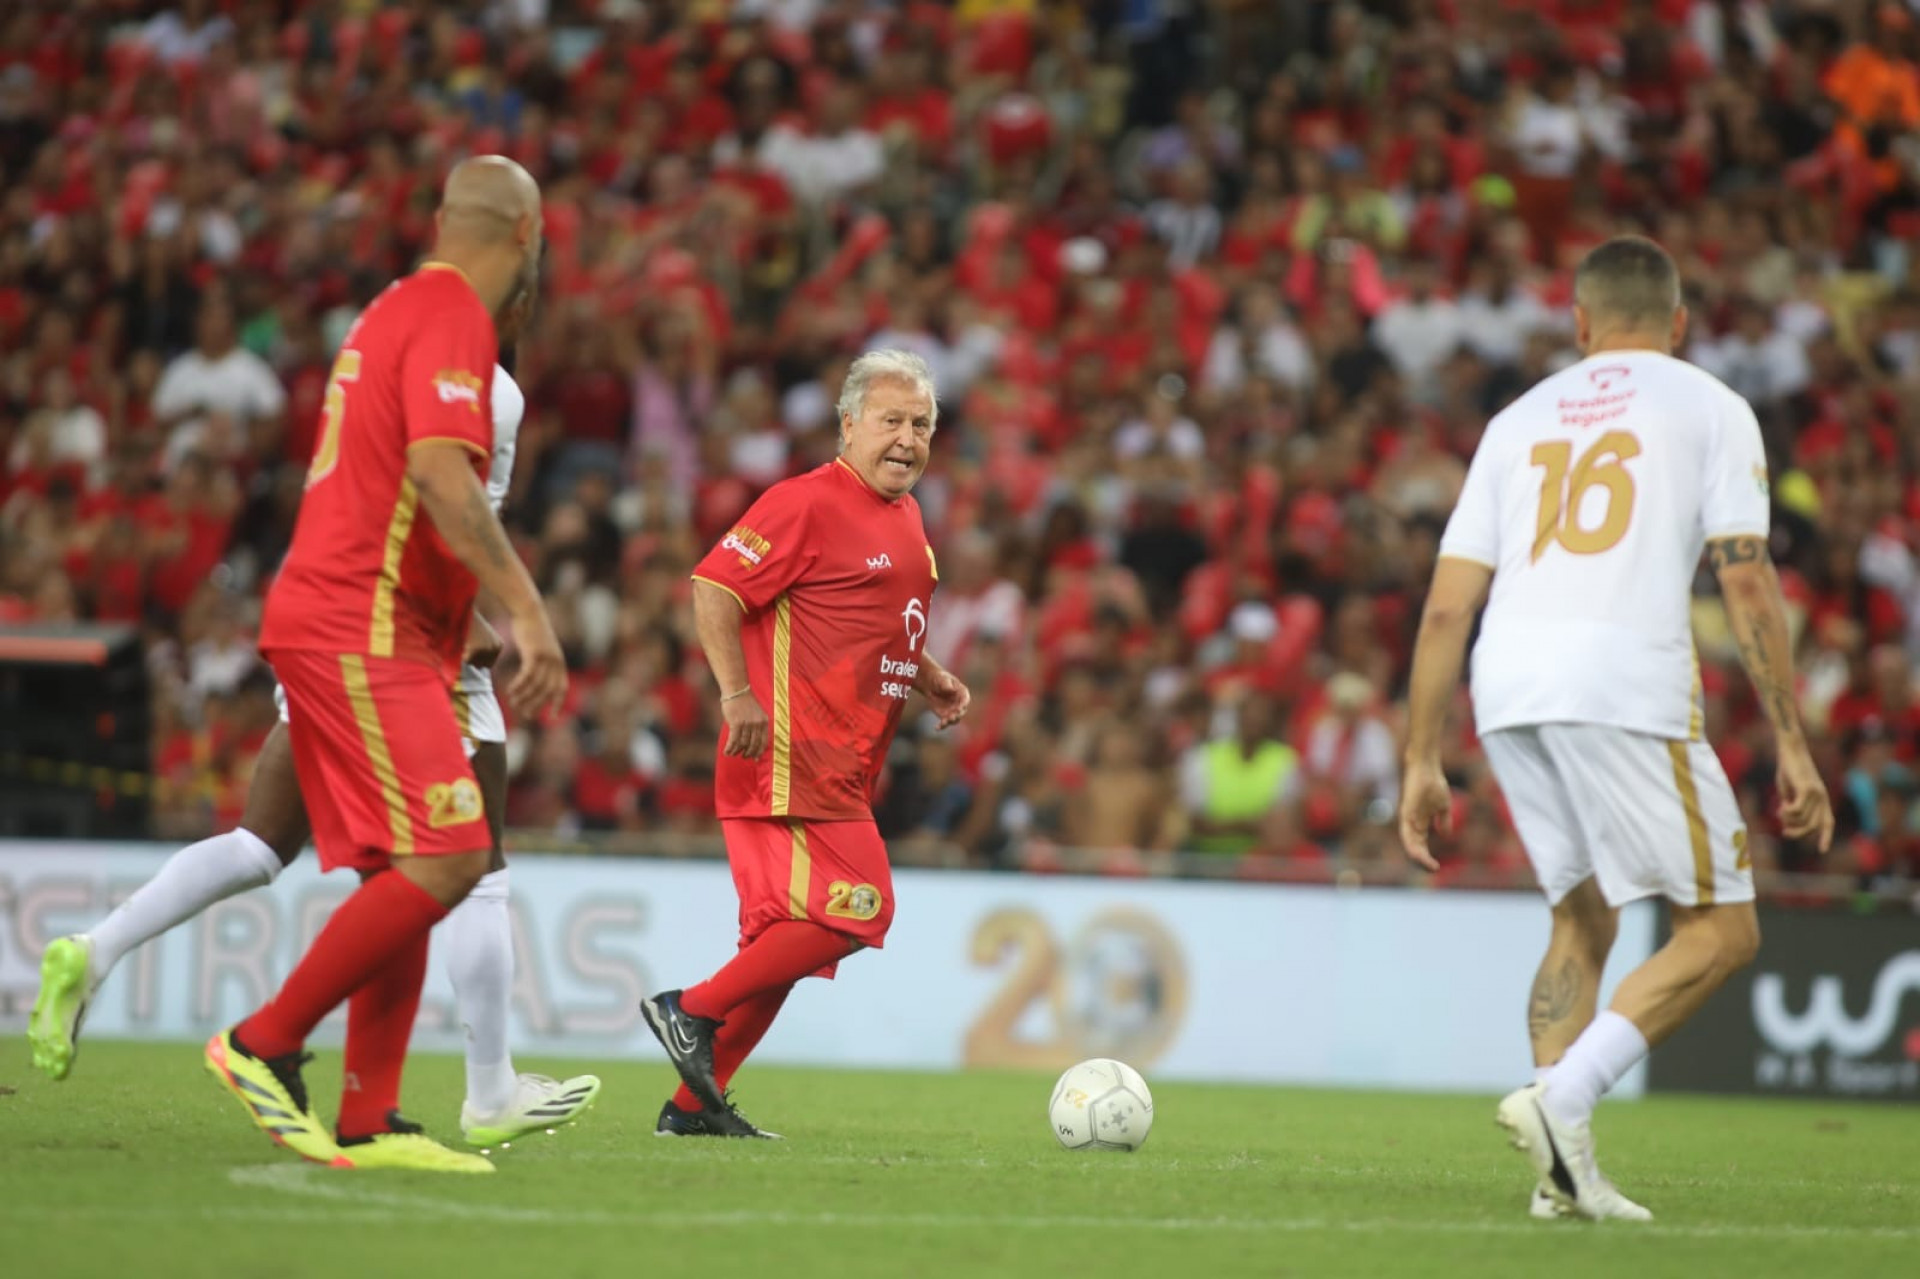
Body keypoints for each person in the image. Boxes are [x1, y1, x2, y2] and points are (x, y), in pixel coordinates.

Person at [26, 287, 600, 1151]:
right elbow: (452, 509)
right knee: (470, 860)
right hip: (403, 635)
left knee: (262, 842)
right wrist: (485, 616)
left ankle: (95, 948)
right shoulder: (492, 388)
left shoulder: (374, 343)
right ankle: (482, 1089)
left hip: (325, 614)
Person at [1399, 235, 1834, 1221]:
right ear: (1679, 325)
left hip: (1506, 682)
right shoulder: (1710, 405)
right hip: (1621, 680)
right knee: (1723, 928)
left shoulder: (1516, 419)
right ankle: (1566, 1096)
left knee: (1582, 915)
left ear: (1580, 324)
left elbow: (1443, 605)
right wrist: (1791, 740)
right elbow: (1743, 568)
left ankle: (1559, 1179)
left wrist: (1422, 755)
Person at [204, 156, 566, 1172]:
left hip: (367, 618)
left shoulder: (388, 311)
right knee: (454, 852)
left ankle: (371, 1115)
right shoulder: (456, 319)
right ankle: (263, 1041)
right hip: (362, 622)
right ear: (528, 239)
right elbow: (442, 480)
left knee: (405, 862)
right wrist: (531, 614)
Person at [642, 348, 970, 1138]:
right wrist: (736, 694)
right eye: (891, 420)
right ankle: (690, 1008)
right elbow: (714, 586)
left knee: (782, 945)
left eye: (921, 424)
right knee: (862, 908)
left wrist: (925, 674)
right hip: (789, 751)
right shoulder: (806, 501)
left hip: (843, 761)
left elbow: (864, 613)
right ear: (849, 422)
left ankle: (692, 1109)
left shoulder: (904, 514)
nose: (907, 438)